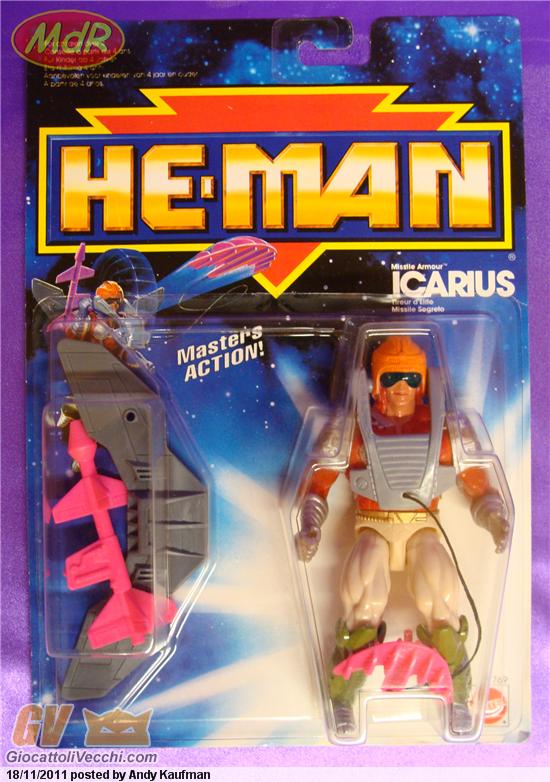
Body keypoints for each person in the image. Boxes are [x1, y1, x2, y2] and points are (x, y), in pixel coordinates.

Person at [295, 335, 510, 735]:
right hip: (372, 525)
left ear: (423, 382)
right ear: (375, 382)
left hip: (422, 528)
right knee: (364, 606)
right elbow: (317, 485)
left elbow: (479, 486)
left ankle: (457, 699)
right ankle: (343, 701)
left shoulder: (447, 430)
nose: (401, 387)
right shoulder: (351, 430)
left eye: (410, 378)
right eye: (391, 377)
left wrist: (496, 520)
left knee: (441, 604)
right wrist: (310, 525)